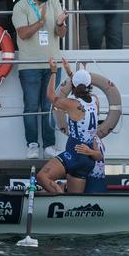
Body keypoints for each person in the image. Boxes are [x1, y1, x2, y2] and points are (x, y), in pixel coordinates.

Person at [13, 0, 69, 159]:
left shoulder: (54, 2)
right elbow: (22, 33)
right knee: (30, 107)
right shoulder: (20, 6)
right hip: (29, 65)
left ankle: (49, 145)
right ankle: (32, 144)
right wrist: (41, 21)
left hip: (52, 64)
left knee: (50, 106)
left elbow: (61, 34)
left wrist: (61, 24)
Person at [37, 58, 100, 193]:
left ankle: (58, 194)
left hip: (74, 154)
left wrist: (53, 72)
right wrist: (69, 72)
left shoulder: (72, 104)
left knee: (42, 177)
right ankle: (60, 196)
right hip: (87, 160)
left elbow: (50, 96)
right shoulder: (95, 100)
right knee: (73, 203)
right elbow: (80, 88)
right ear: (89, 84)